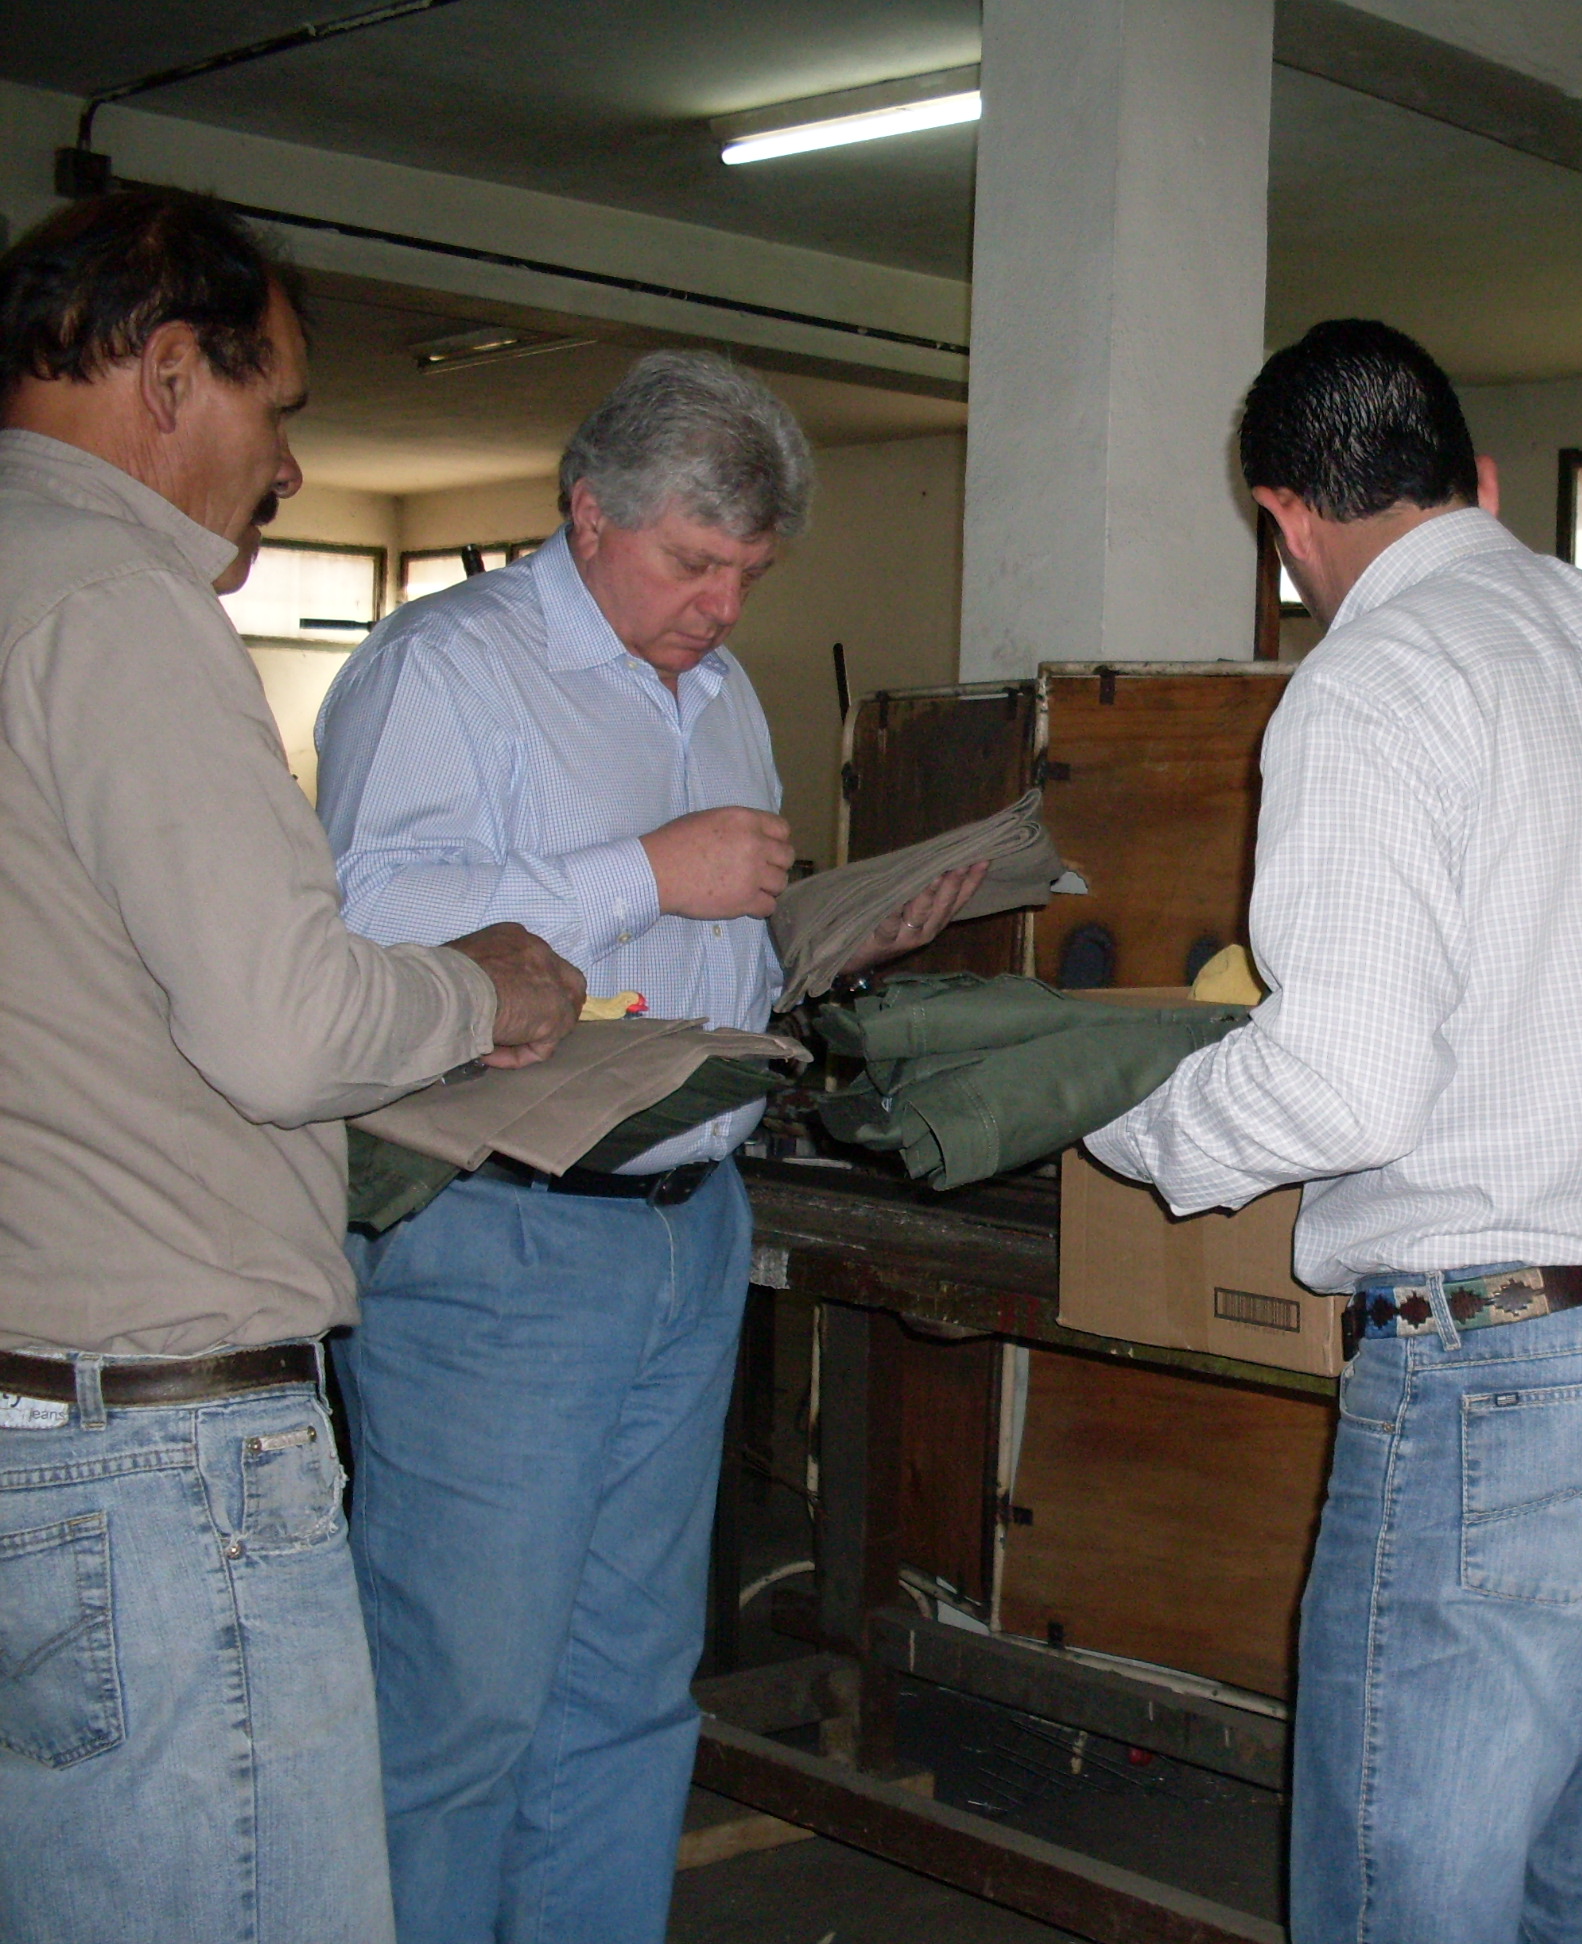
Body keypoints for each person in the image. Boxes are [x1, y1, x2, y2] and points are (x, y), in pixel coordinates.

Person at [1086, 319, 1582, 1944]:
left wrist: (1134, 1129)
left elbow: (1347, 1085)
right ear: (1478, 481)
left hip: (1504, 1378)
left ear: (1285, 525)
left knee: (1408, 1908)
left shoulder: (1371, 685)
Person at [313, 348, 983, 1944]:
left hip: (689, 1226)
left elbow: (709, 947)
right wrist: (641, 870)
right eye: (693, 564)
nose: (721, 608)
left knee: (626, 1693)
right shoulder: (445, 670)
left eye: (749, 575)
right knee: (461, 1707)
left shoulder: (720, 690)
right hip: (504, 1234)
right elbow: (357, 929)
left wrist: (829, 936)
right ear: (586, 512)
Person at [0, 189, 584, 1944]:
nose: (290, 470)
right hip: (153, 1459)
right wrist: (474, 996)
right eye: (282, 411)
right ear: (171, 374)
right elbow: (278, 1025)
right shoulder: (116, 600)